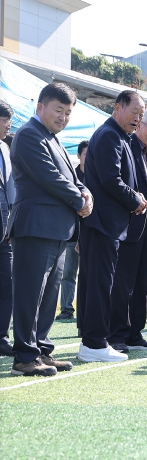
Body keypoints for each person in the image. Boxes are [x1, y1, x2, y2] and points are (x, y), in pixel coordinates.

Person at [8, 82, 92, 376]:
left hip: (57, 229)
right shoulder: (28, 135)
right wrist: (79, 200)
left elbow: (73, 178)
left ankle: (41, 350)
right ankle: (25, 357)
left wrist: (86, 193)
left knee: (48, 297)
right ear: (40, 107)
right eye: (59, 110)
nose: (63, 117)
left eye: (68, 112)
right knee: (30, 294)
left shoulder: (53, 139)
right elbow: (50, 178)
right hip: (35, 227)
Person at [79, 90, 147, 363]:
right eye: (135, 112)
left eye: (141, 115)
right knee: (100, 285)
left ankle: (94, 341)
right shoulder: (109, 135)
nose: (138, 119)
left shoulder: (119, 136)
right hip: (103, 224)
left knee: (100, 284)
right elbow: (111, 180)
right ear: (118, 107)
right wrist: (136, 200)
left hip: (107, 224)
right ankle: (94, 343)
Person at [108, 108, 147, 352]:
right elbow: (117, 184)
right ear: (140, 124)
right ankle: (117, 334)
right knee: (123, 282)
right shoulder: (127, 146)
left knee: (142, 282)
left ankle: (135, 333)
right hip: (129, 223)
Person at [56, 140, 89, 321]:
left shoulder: (96, 177)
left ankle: (86, 309)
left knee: (88, 274)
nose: (89, 158)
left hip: (90, 234)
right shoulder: (71, 177)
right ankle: (66, 309)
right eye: (85, 154)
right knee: (68, 273)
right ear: (78, 156)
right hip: (72, 233)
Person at [0, 100, 15, 358]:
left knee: (8, 285)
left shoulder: (5, 147)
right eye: (5, 121)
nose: (9, 126)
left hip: (6, 232)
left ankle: (1, 337)